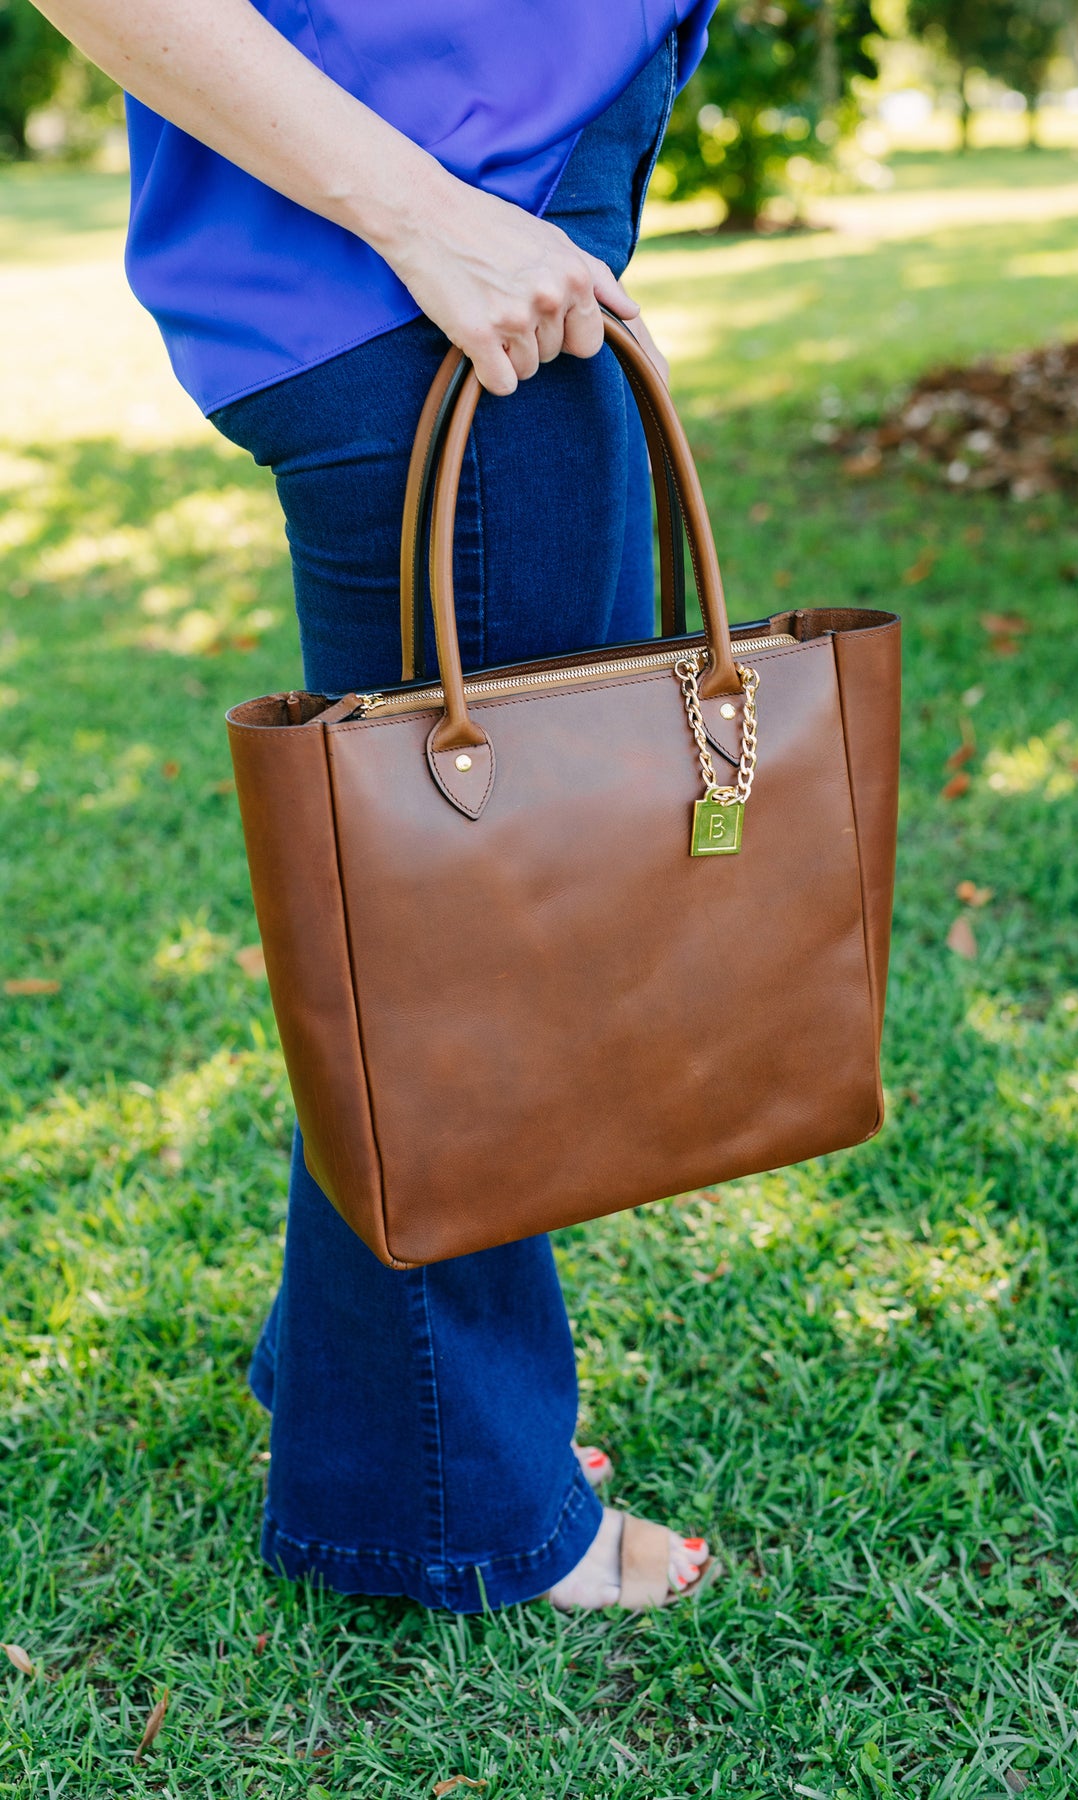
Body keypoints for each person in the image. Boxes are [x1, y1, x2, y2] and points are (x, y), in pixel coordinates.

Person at [33, 0, 720, 1611]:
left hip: (487, 222)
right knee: (469, 947)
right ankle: (445, 1499)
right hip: (427, 250)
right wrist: (427, 219)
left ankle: (363, 1382)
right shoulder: (433, 235)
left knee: (459, 917)